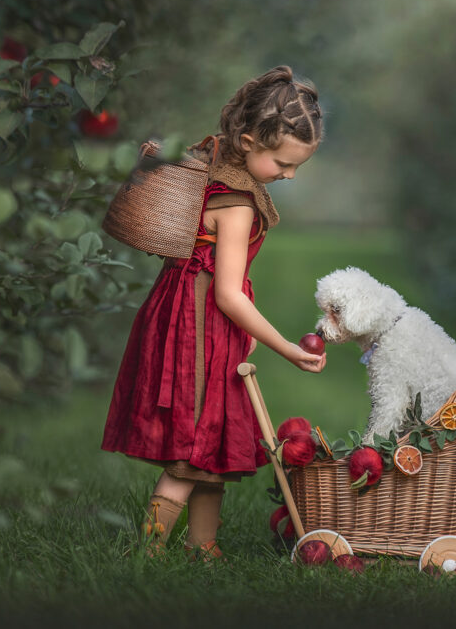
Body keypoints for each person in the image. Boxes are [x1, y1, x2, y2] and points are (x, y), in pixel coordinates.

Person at [100, 66, 327, 558]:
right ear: (248, 141)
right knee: (193, 441)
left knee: (212, 438)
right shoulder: (237, 201)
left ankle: (205, 547)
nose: (288, 175)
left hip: (183, 308)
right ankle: (150, 551)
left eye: (296, 167)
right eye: (282, 163)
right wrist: (286, 348)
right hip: (199, 323)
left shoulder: (214, 163)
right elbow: (228, 293)